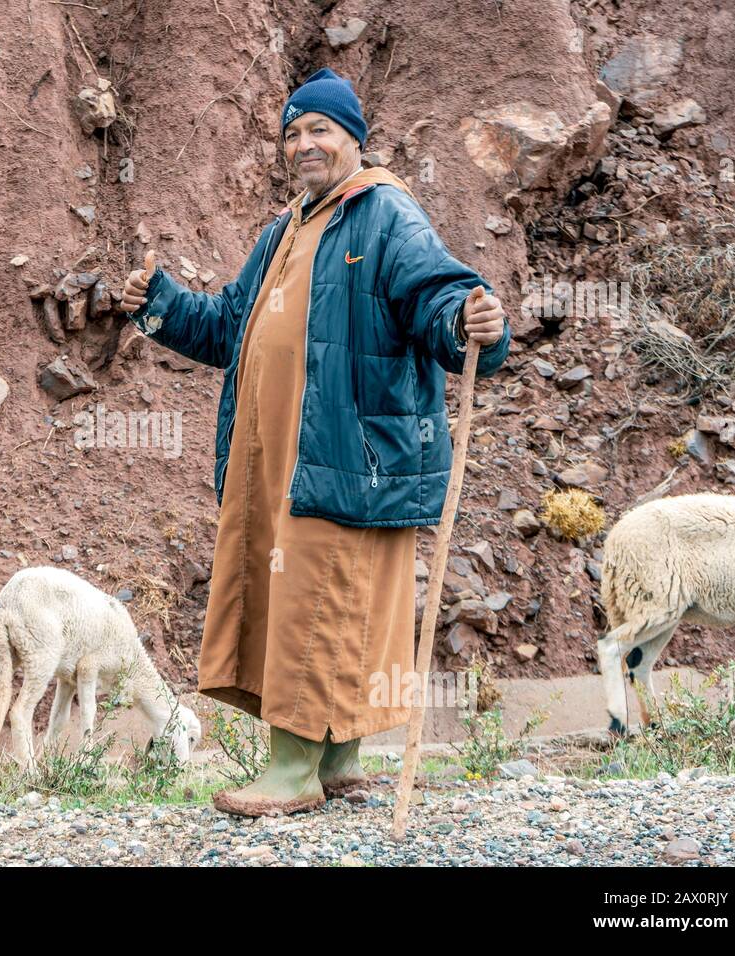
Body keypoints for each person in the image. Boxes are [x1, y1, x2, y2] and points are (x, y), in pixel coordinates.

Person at [118, 68, 510, 817]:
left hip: (347, 454)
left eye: (320, 130)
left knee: (317, 605)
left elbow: (438, 296)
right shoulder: (287, 227)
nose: (304, 144)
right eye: (292, 133)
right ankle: (336, 763)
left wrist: (470, 325)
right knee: (329, 603)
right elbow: (230, 325)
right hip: (284, 459)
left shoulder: (386, 214)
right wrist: (161, 306)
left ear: (354, 139)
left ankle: (292, 773)